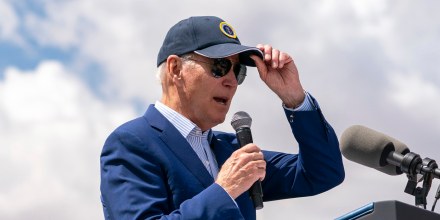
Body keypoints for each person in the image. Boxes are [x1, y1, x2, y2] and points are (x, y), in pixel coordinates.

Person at [100, 16, 345, 220]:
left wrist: (294, 97)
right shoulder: (131, 143)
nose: (230, 81)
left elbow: (323, 172)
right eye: (218, 66)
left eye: (237, 71)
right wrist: (225, 190)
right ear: (175, 69)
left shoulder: (230, 150)